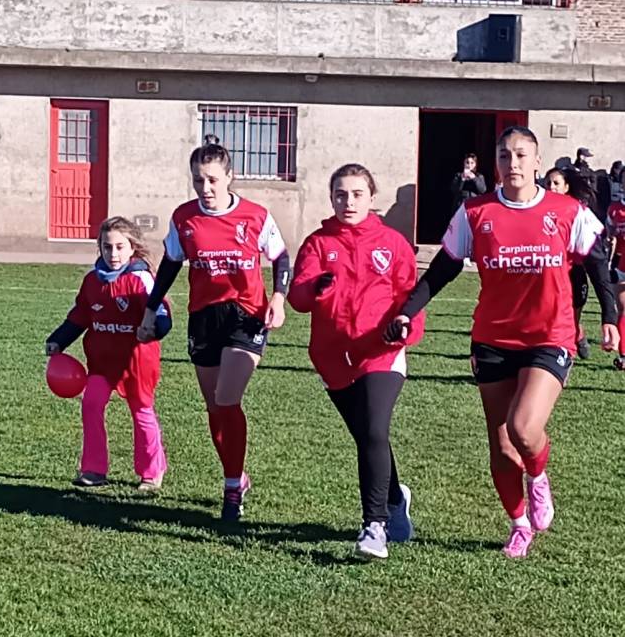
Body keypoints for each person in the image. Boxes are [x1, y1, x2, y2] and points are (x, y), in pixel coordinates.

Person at [385, 127, 619, 560]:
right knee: (501, 443)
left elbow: (596, 263)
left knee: (524, 429)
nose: (513, 163)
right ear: (497, 162)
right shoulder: (476, 212)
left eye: (521, 155)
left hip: (550, 336)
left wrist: (610, 315)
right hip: (493, 339)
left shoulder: (568, 211)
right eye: (505, 155)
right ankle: (518, 524)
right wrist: (409, 308)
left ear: (537, 161)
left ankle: (540, 477)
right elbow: (444, 268)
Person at [137, 136, 290, 520]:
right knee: (214, 407)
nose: (205, 189)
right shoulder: (184, 218)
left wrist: (278, 297)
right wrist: (149, 309)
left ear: (230, 177)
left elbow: (281, 255)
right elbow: (171, 264)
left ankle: (231, 491)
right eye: (198, 181)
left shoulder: (255, 216)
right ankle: (237, 474)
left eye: (212, 180)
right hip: (204, 318)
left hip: (246, 315)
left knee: (227, 399)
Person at [288, 163, 425, 560]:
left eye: (357, 194)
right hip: (333, 359)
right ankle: (396, 496)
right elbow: (298, 298)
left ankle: (374, 526)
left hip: (380, 353)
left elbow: (410, 299)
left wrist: (404, 331)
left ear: (371, 197)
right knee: (368, 436)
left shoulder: (393, 243)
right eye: (341, 195)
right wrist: (315, 286)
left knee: (375, 431)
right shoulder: (317, 243)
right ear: (331, 198)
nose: (348, 202)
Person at [45, 216, 171, 491]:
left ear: (132, 248)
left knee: (141, 412)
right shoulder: (92, 281)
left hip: (137, 362)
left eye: (119, 247)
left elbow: (162, 312)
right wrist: (58, 340)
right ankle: (93, 469)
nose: (113, 254)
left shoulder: (141, 279)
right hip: (101, 362)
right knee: (91, 405)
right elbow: (80, 316)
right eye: (107, 247)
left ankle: (152, 472)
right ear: (100, 248)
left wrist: (156, 329)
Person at [544, 165, 617, 360]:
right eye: (548, 183)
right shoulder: (537, 210)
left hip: (574, 274)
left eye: (556, 183)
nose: (551, 186)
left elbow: (596, 260)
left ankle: (577, 336)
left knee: (570, 320)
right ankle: (558, 358)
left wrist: (608, 314)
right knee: (551, 321)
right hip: (545, 276)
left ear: (567, 186)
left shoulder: (578, 213)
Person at [606, 165, 625, 370]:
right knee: (623, 309)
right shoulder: (615, 209)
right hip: (621, 264)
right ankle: (623, 356)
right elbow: (610, 237)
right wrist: (609, 262)